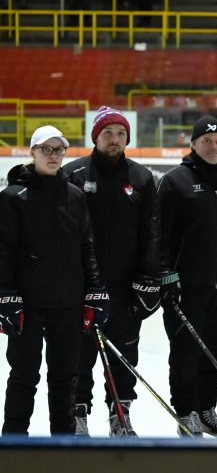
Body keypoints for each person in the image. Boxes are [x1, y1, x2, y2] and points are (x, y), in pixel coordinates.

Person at [0, 126, 105, 435]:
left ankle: (64, 443)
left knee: (64, 377)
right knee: (24, 375)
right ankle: (14, 441)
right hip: (27, 304)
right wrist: (5, 295)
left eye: (58, 149)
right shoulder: (12, 197)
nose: (53, 155)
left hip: (67, 302)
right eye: (46, 149)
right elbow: (3, 250)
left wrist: (96, 289)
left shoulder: (74, 195)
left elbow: (87, 246)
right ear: (33, 152)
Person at [66, 107, 164, 437]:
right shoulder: (74, 173)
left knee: (124, 355)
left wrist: (148, 278)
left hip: (125, 287)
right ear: (95, 136)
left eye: (121, 133)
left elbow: (152, 229)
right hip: (82, 286)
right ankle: (77, 415)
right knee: (78, 355)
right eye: (108, 133)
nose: (115, 139)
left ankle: (120, 415)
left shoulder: (141, 177)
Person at [157, 115, 217, 437]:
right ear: (193, 144)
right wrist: (166, 276)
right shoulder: (175, 180)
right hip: (186, 286)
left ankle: (207, 408)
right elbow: (160, 234)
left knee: (215, 350)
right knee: (185, 352)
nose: (213, 146)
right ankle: (186, 412)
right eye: (206, 141)